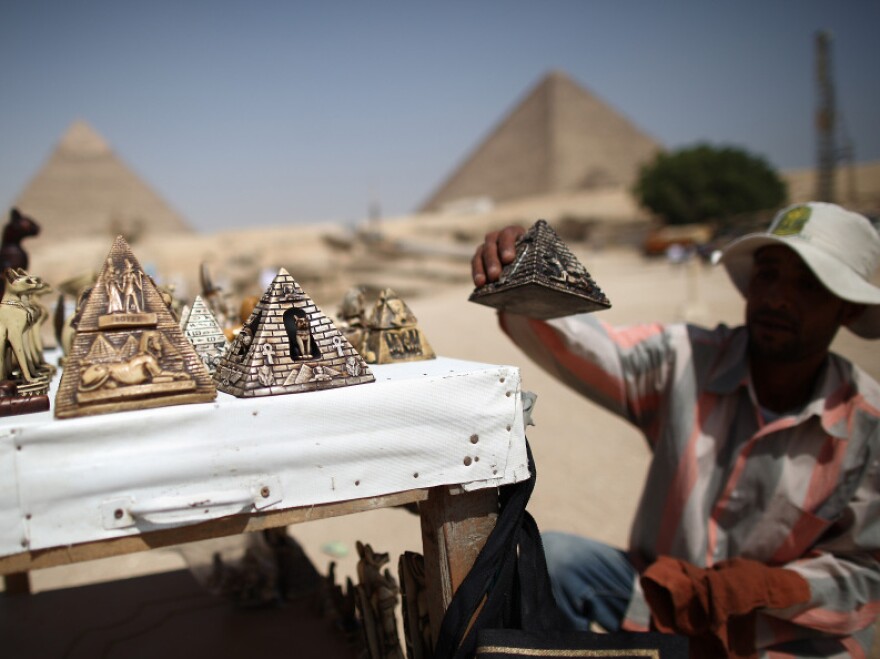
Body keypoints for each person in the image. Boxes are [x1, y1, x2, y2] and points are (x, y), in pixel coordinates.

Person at [471, 202, 880, 657]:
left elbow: (867, 573)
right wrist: (523, 268)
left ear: (846, 308)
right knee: (557, 560)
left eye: (807, 285)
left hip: (782, 634)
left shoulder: (868, 426)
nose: (778, 297)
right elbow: (583, 342)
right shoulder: (685, 361)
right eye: (768, 274)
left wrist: (764, 587)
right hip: (664, 602)